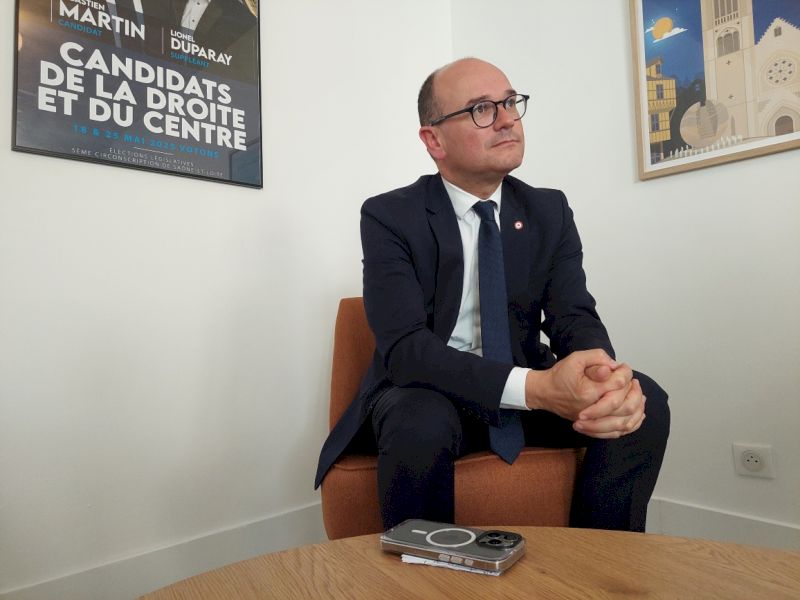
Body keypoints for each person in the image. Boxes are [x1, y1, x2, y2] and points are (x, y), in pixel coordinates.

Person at [314, 58, 670, 533]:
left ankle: (596, 560)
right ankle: (426, 570)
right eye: (481, 109)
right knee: (419, 419)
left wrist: (602, 377)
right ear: (434, 140)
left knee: (645, 402)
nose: (506, 119)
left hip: (524, 390)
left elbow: (573, 315)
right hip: (429, 391)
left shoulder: (548, 210)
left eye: (510, 103)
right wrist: (536, 388)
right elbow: (406, 351)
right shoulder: (390, 216)